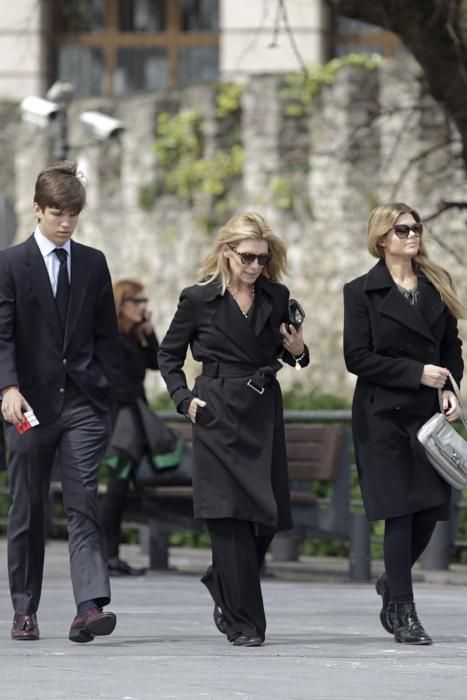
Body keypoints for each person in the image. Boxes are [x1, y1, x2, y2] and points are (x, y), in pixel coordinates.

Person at [158, 211, 309, 647]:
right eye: (247, 257)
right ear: (227, 253)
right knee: (226, 514)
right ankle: (246, 623)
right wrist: (184, 400)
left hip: (261, 408)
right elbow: (168, 357)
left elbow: (296, 352)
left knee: (265, 516)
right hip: (215, 409)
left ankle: (220, 579)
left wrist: (299, 350)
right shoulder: (198, 298)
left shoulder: (276, 296)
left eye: (262, 259)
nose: (255, 266)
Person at [0, 161, 120, 643]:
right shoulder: (9, 264)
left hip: (85, 404)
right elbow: (2, 335)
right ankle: (24, 609)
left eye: (73, 213)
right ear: (37, 210)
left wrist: (106, 386)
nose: (66, 222)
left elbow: (107, 335)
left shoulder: (93, 262)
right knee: (27, 507)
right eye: (57, 213)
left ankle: (89, 607)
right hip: (27, 405)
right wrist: (7, 387)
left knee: (83, 501)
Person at [343, 202, 464, 645]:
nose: (412, 236)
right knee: (400, 512)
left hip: (428, 416)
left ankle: (391, 582)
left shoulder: (437, 285)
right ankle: (404, 610)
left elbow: (452, 348)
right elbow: (357, 357)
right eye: (402, 230)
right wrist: (416, 372)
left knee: (433, 510)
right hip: (382, 416)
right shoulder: (361, 292)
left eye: (416, 228)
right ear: (381, 239)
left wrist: (450, 386)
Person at [99, 279, 159, 576]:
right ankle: (104, 556)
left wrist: (149, 332)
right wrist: (131, 405)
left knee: (119, 491)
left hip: (133, 419)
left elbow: (157, 363)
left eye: (143, 300)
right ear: (121, 305)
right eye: (136, 301)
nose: (142, 306)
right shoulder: (113, 339)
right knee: (116, 489)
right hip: (122, 420)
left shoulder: (134, 338)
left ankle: (110, 556)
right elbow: (112, 383)